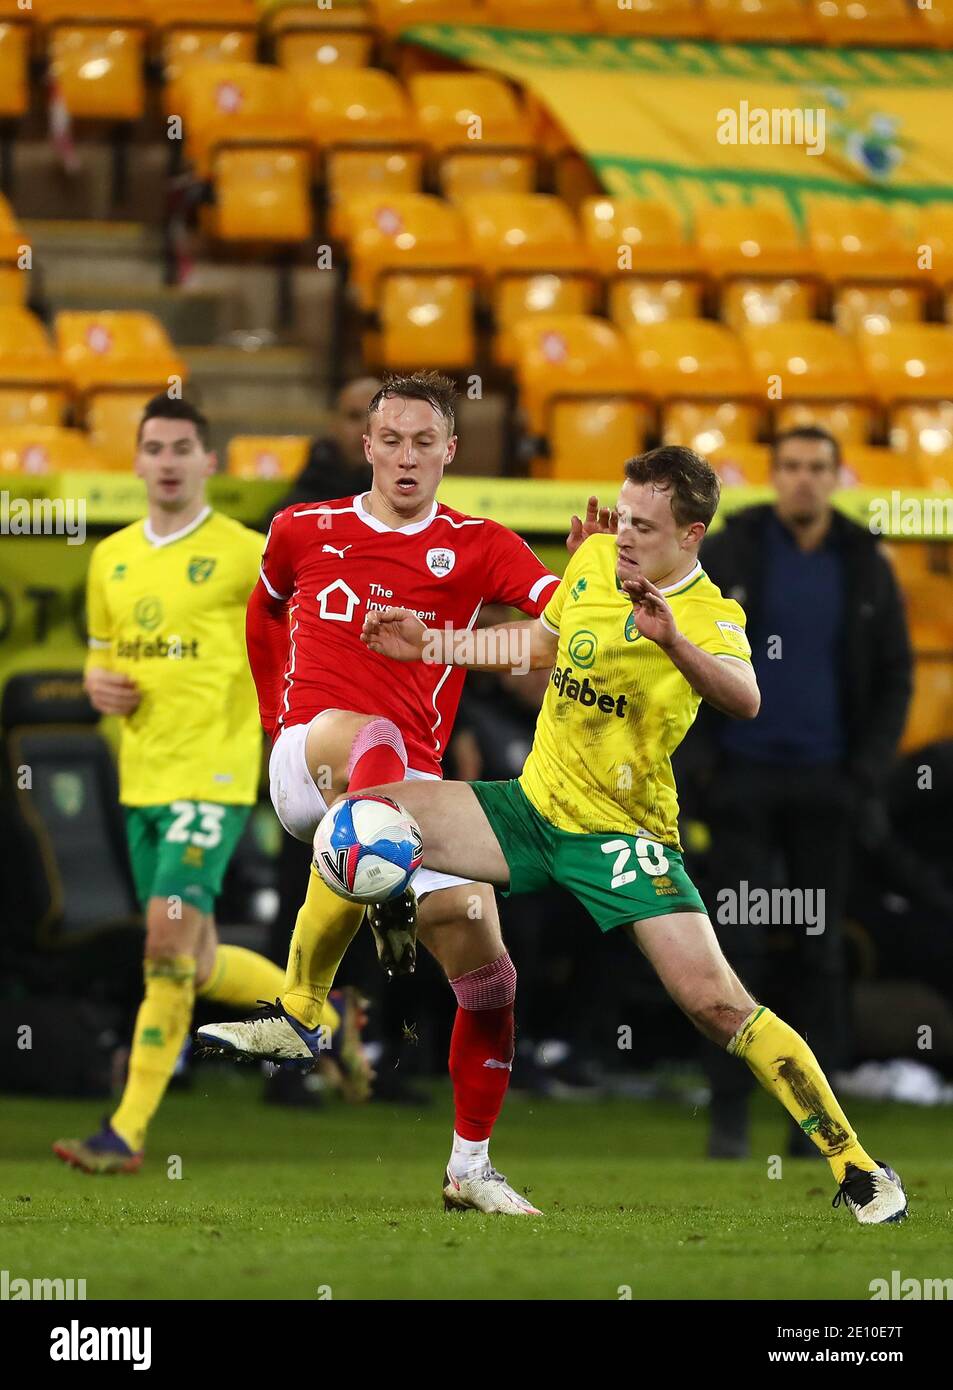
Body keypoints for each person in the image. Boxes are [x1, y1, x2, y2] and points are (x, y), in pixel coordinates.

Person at [358, 445, 908, 1225]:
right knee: (364, 817)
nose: (623, 537)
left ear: (690, 536)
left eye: (644, 528)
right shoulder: (590, 558)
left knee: (717, 1006)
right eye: (623, 518)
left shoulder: (710, 614)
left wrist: (671, 641)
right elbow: (539, 645)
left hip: (621, 838)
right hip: (528, 808)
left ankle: (857, 1166)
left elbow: (745, 698)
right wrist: (434, 644)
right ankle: (349, 965)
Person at [198, 371, 609, 1213]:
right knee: (372, 745)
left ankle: (470, 1165)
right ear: (368, 447)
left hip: (410, 789)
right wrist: (278, 711)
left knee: (485, 961)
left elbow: (557, 630)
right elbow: (264, 611)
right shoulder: (301, 528)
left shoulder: (479, 543)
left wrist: (589, 568)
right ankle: (304, 1007)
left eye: (425, 442)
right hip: (315, 756)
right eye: (392, 440)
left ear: (450, 452)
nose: (407, 456)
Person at [52, 395, 353, 1174]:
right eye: (154, 447)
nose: (168, 461)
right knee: (199, 959)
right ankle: (326, 1017)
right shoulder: (110, 558)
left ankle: (125, 1132)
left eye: (183, 447)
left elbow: (305, 635)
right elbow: (100, 656)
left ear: (209, 462)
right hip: (142, 779)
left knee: (163, 946)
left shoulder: (246, 555)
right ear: (137, 460)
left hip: (212, 779)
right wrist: (98, 685)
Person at [692, 425, 912, 1158]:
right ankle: (727, 1117)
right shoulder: (733, 549)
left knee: (818, 953)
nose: (803, 481)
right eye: (789, 467)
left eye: (817, 468)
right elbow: (679, 657)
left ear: (836, 476)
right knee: (736, 952)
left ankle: (804, 1128)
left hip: (826, 787)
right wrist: (704, 772)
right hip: (742, 785)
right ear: (773, 473)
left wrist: (862, 774)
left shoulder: (861, 560)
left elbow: (893, 677)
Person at [258, 376, 380, 530]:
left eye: (376, 417)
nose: (365, 428)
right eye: (354, 416)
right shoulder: (296, 512)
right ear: (333, 424)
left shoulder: (413, 505)